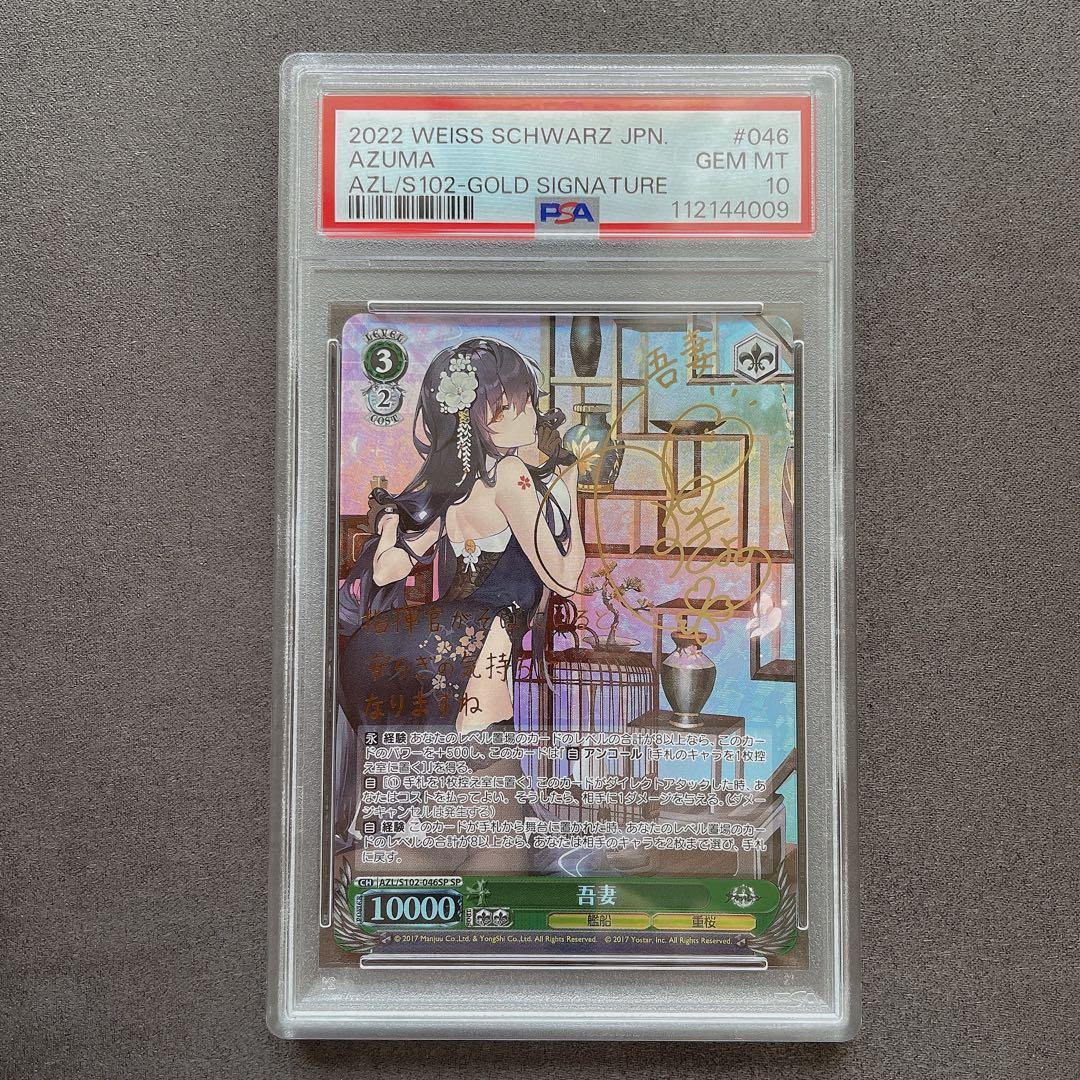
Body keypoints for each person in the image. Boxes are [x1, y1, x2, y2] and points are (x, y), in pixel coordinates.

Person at [336, 337, 585, 870]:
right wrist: (572, 491)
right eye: (523, 405)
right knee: (497, 826)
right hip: (478, 651)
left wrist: (388, 531)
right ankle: (364, 874)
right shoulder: (511, 477)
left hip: (412, 649)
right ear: (488, 416)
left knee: (452, 827)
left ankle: (362, 871)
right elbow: (563, 579)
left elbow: (389, 569)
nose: (534, 415)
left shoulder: (450, 486)